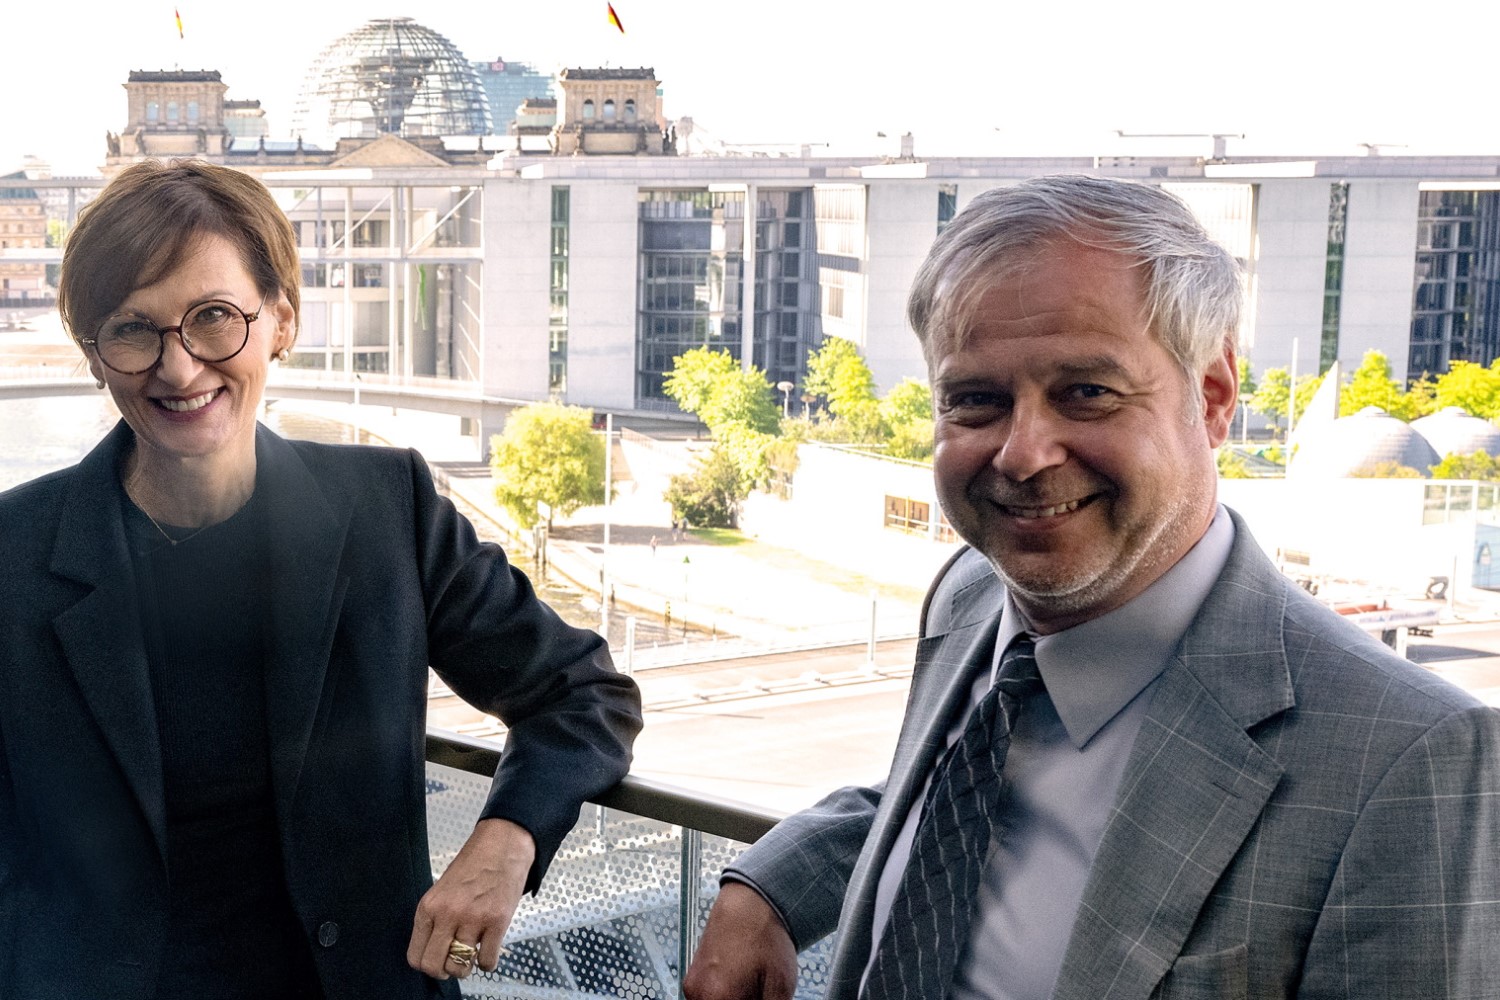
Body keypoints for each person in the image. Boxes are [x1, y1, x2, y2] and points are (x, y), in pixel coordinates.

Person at [684, 175, 1500, 1000]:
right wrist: (773, 882)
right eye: (976, 401)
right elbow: (944, 795)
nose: (1023, 453)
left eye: (1087, 392)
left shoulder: (1412, 761)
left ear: (1212, 396)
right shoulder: (971, 594)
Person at [0, 159, 642, 1000]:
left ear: (282, 321)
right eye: (133, 329)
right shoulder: (13, 553)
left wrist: (508, 836)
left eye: (214, 318)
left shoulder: (387, 510)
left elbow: (583, 693)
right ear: (94, 356)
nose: (180, 367)